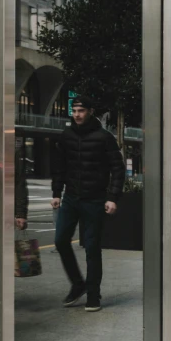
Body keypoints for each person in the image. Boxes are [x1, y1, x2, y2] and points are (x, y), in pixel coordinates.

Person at [51, 95, 125, 312]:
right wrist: (56, 192)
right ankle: (78, 284)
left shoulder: (104, 137)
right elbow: (59, 167)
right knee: (61, 240)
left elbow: (117, 169)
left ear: (90, 111)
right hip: (71, 198)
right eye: (74, 111)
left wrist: (112, 197)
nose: (77, 115)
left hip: (94, 200)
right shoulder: (66, 136)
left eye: (81, 111)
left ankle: (93, 294)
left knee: (92, 248)